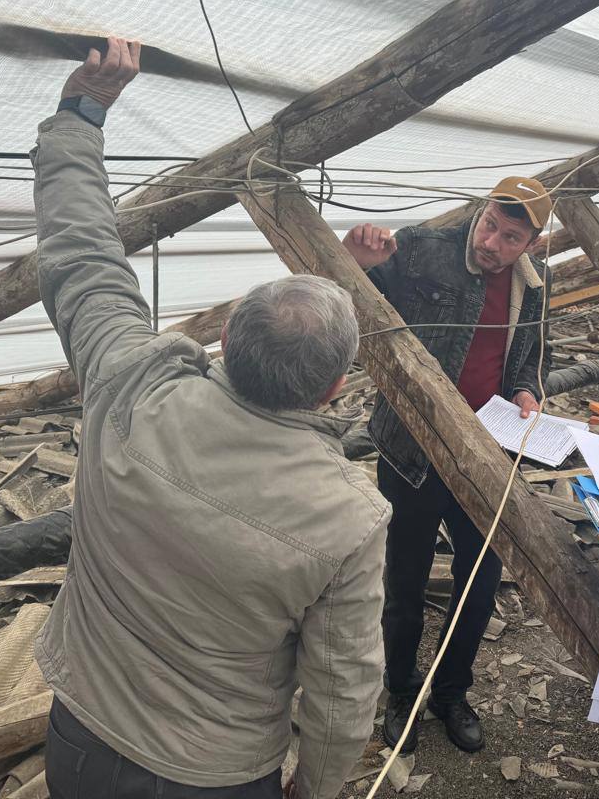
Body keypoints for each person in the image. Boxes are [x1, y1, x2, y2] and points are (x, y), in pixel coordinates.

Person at [33, 39, 389, 799]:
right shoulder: (349, 517)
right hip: (217, 773)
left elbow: (82, 257)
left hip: (83, 738)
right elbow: (343, 689)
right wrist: (314, 789)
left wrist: (80, 116)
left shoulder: (130, 385)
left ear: (226, 337)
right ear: (335, 389)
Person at [342, 177, 552, 754]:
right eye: (490, 226)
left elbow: (533, 357)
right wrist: (353, 261)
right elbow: (348, 309)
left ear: (533, 243)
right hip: (411, 448)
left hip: (487, 452)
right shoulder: (420, 248)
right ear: (480, 211)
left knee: (479, 583)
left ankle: (451, 691)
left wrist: (527, 392)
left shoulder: (534, 283)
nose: (492, 243)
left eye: (510, 238)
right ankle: (401, 690)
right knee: (404, 581)